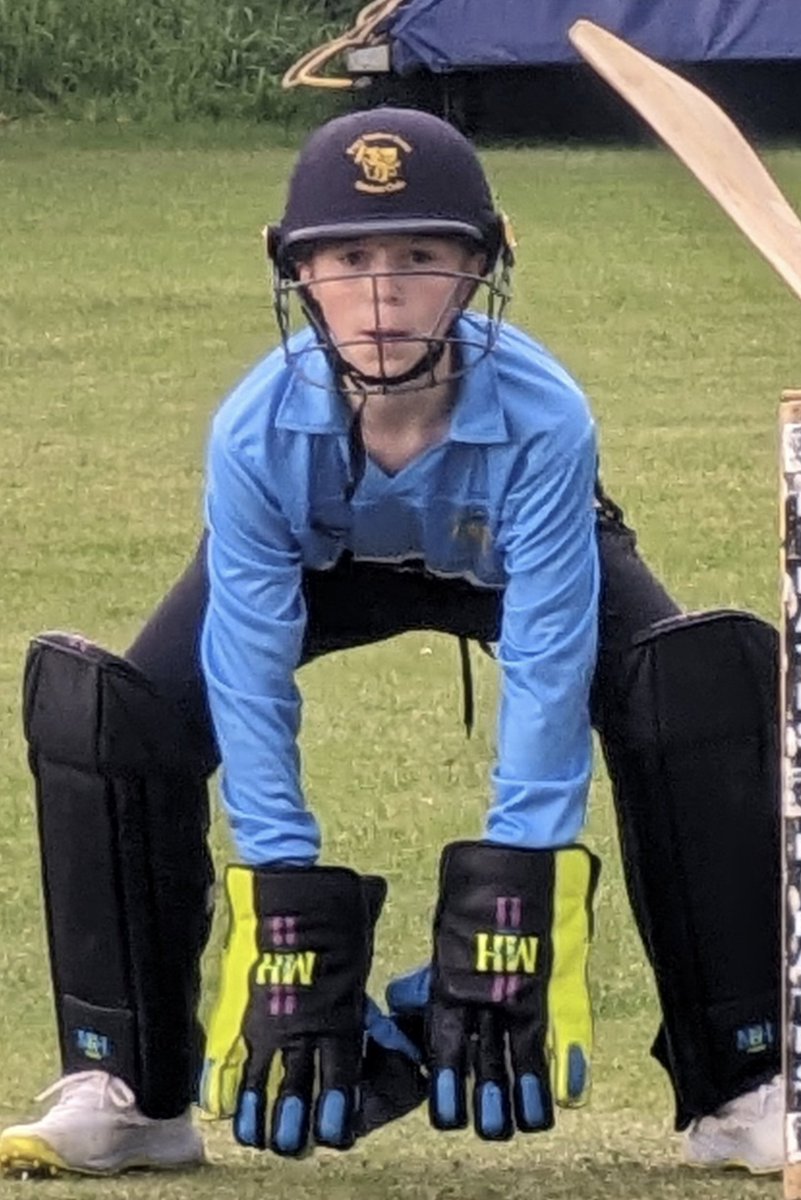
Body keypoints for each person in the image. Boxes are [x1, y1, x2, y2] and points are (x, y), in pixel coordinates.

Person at [0, 106, 781, 1178]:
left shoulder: (546, 417)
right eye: (350, 258)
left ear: (481, 268)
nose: (380, 294)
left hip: (508, 562)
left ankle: (744, 1083)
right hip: (319, 570)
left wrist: (517, 886)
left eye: (419, 256)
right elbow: (250, 667)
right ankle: (130, 1087)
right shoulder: (255, 429)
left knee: (694, 691)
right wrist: (282, 891)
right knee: (109, 718)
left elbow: (550, 651)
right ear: (295, 273)